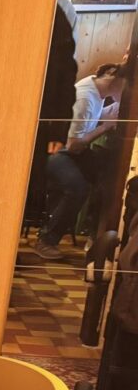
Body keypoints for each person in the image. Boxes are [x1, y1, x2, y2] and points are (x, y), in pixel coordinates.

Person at [34, 62, 127, 260]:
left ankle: (96, 235)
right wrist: (105, 127)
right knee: (78, 188)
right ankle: (46, 241)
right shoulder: (86, 97)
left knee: (109, 175)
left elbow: (90, 118)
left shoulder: (97, 88)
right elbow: (74, 144)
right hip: (58, 152)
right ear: (116, 79)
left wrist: (111, 112)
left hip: (72, 151)